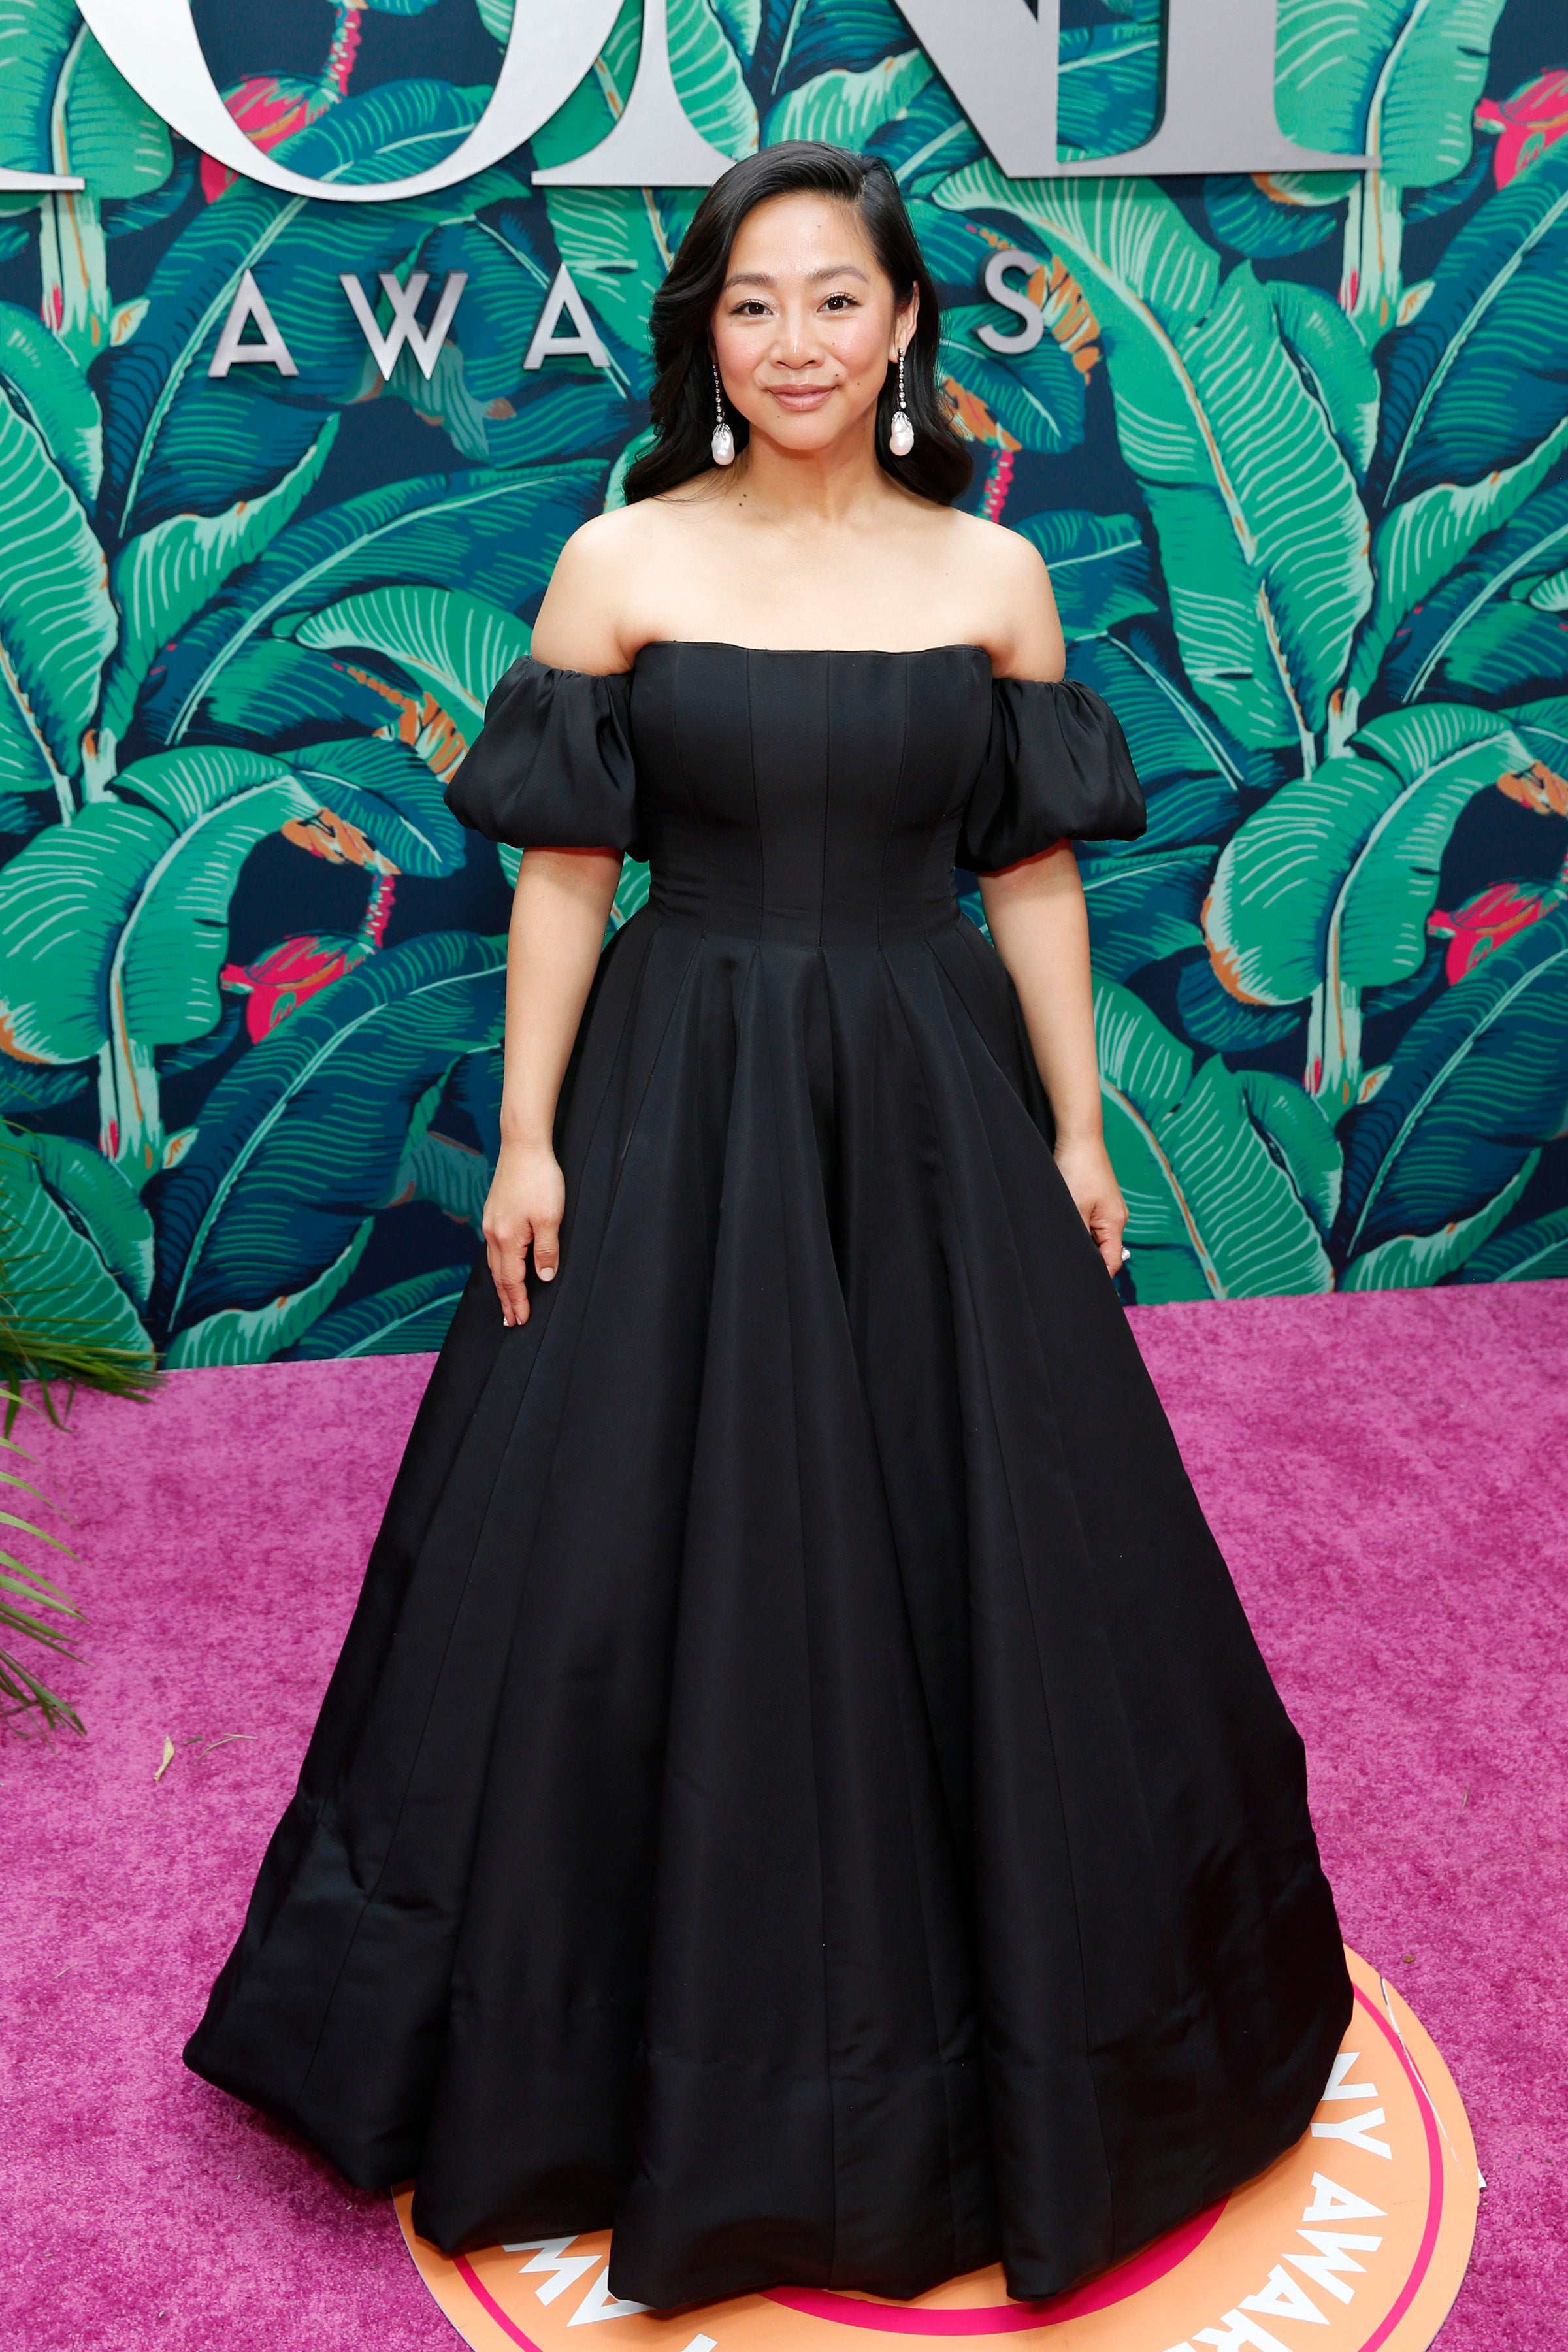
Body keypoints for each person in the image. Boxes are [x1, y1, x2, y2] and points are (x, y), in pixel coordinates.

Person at [184, 140, 1352, 2314]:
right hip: (683, 1072)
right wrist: (528, 1141)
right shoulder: (613, 561)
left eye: (836, 299)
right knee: (617, 1545)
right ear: (702, 336)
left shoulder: (995, 577)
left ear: (908, 325)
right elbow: (559, 877)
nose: (795, 341)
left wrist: (1083, 1135)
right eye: (752, 303)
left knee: (992, 1544)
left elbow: (1029, 881)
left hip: (924, 1091)